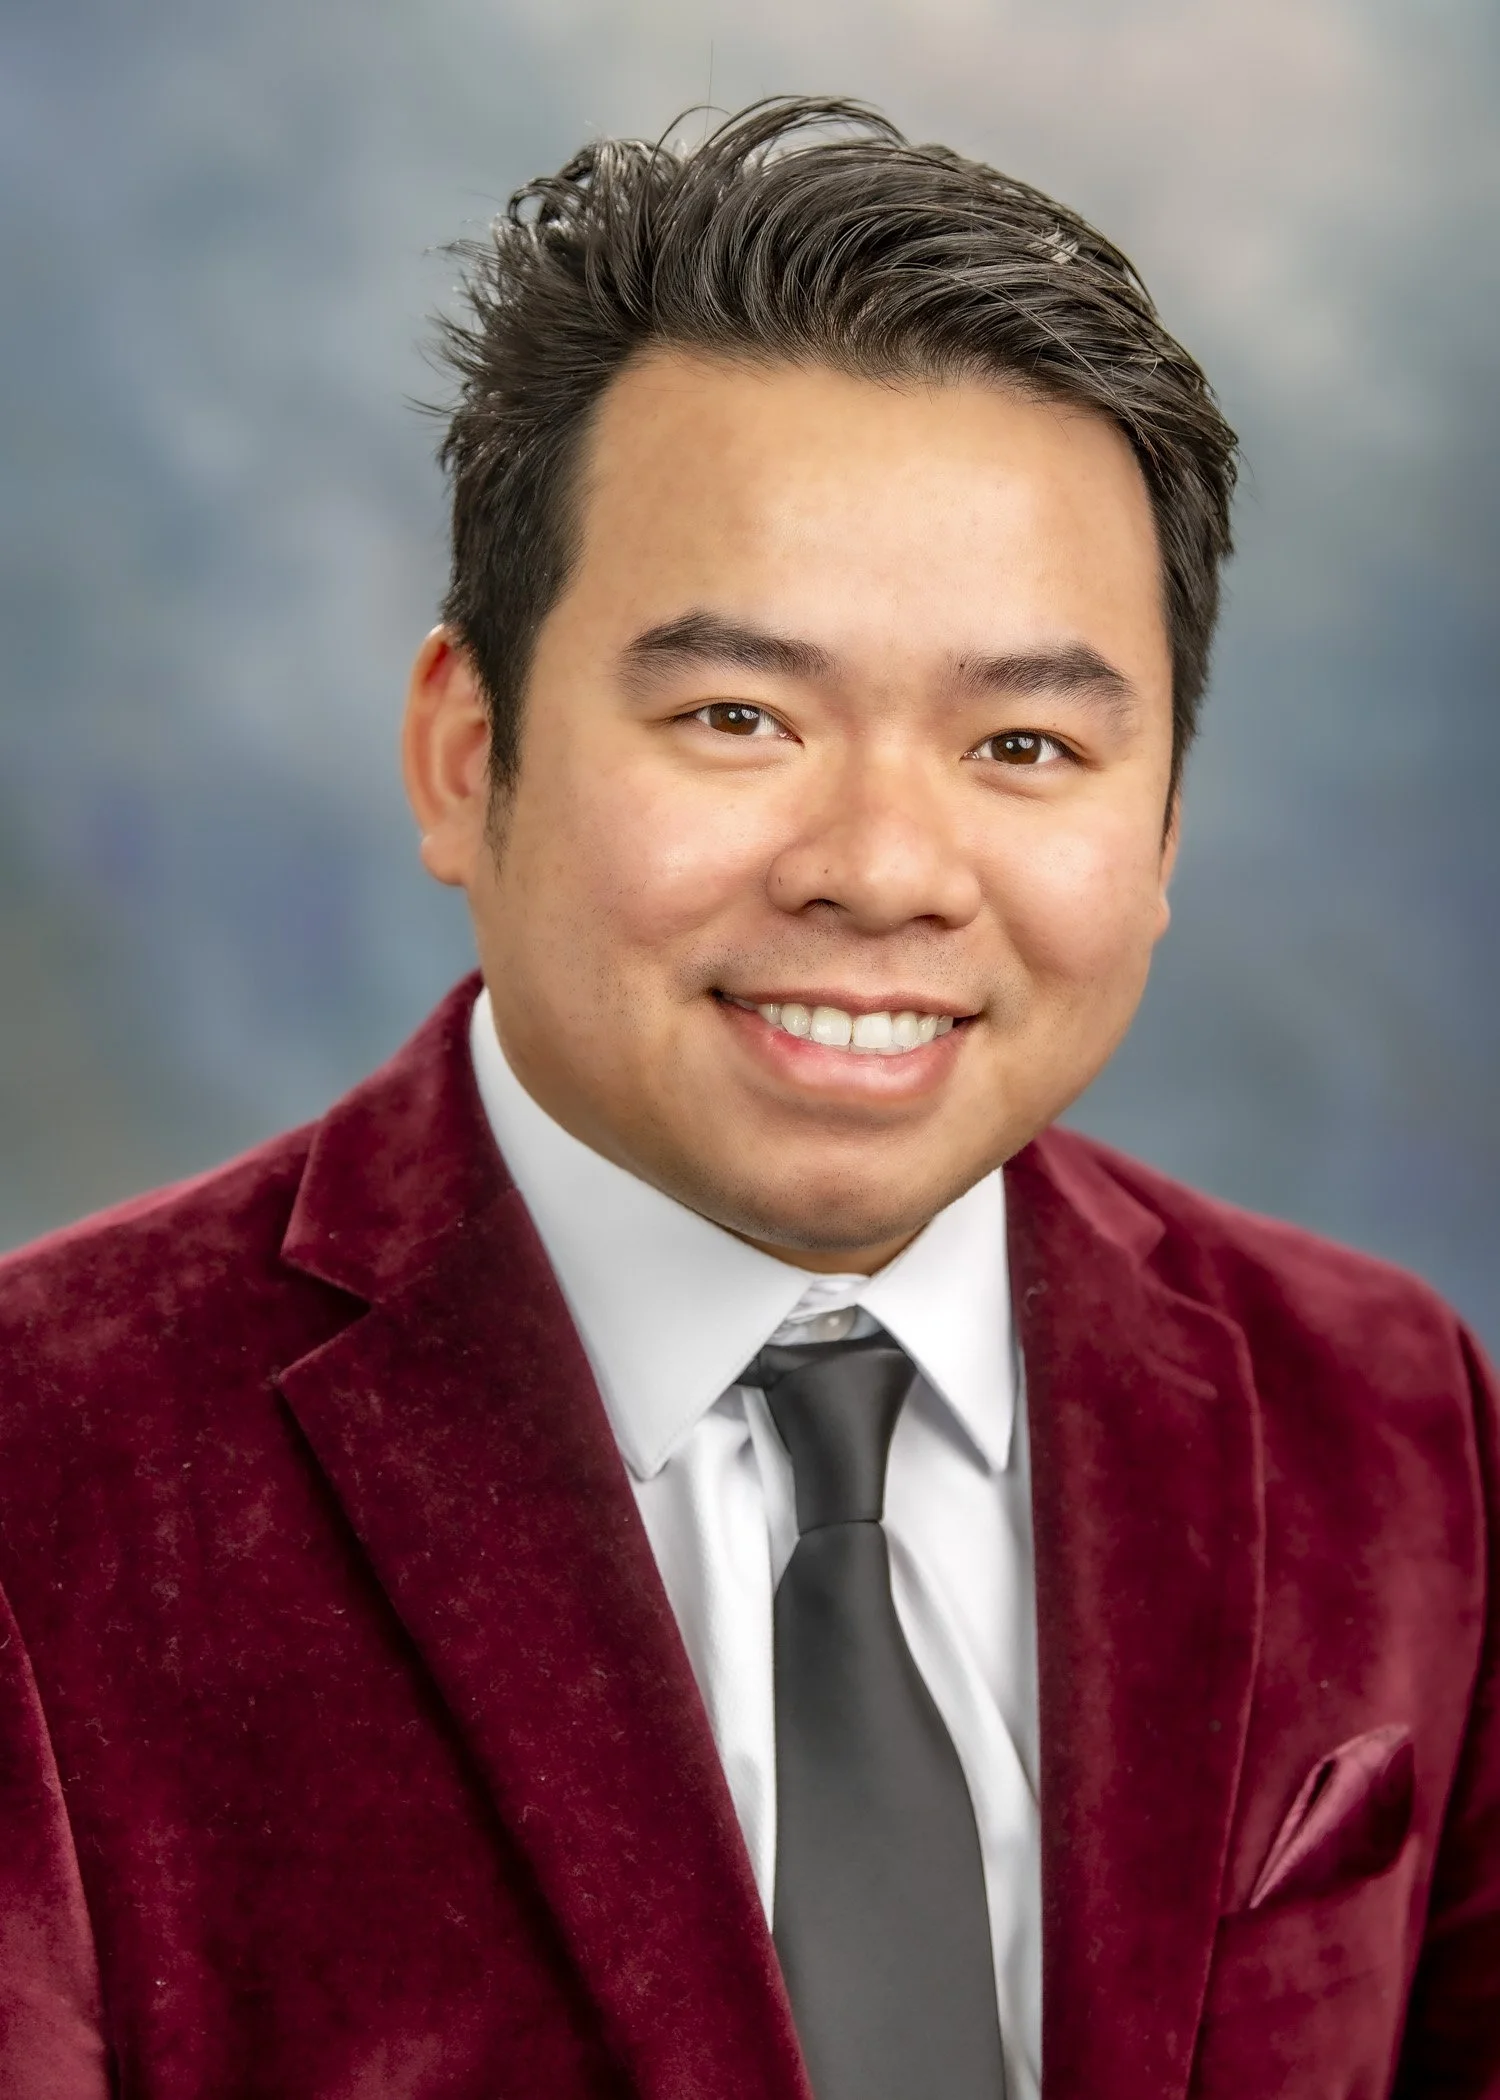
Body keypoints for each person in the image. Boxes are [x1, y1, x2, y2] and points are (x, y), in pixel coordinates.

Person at [0, 94, 1494, 2100]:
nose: (882, 865)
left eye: (1028, 745)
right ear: (465, 751)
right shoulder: (52, 1472)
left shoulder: (1393, 1422)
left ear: (1161, 833)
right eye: (737, 716)